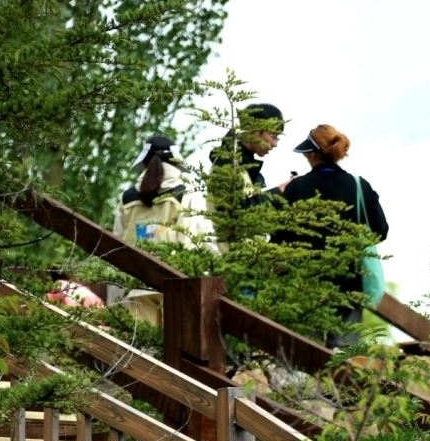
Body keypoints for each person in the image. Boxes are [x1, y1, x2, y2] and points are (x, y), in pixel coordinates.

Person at [270, 124, 389, 349]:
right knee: (344, 357)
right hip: (349, 287)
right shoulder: (359, 186)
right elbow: (381, 230)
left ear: (313, 154)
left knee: (302, 354)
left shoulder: (296, 188)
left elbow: (278, 237)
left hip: (303, 286)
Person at [112, 135, 216, 325]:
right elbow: (196, 240)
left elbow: (117, 242)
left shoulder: (126, 198)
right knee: (176, 341)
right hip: (176, 284)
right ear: (176, 163)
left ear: (144, 163)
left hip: (137, 283)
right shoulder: (186, 194)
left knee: (142, 342)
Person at [208, 103, 296, 207]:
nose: (275, 144)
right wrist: (280, 191)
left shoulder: (243, 163)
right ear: (255, 129)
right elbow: (236, 209)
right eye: (273, 135)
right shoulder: (228, 160)